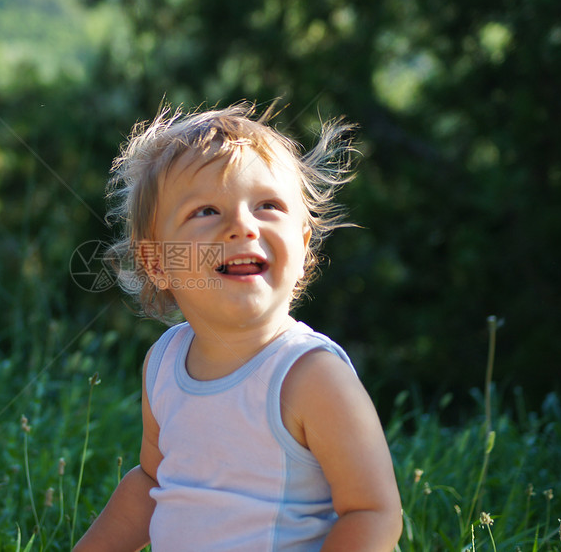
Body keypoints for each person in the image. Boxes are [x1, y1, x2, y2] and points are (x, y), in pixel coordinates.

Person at [74, 102, 402, 551]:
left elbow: (371, 511)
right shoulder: (166, 362)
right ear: (157, 263)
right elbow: (152, 482)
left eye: (267, 205)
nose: (242, 226)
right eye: (206, 211)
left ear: (304, 247)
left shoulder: (309, 375)